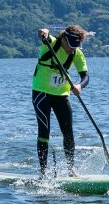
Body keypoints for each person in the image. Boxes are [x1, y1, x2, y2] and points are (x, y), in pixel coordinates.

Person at [32, 25, 89, 176]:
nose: (72, 50)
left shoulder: (76, 53)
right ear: (63, 39)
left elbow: (85, 77)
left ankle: (71, 168)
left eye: (76, 46)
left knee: (68, 132)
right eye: (70, 46)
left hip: (62, 95)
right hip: (41, 93)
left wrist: (79, 86)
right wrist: (44, 31)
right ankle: (44, 168)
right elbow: (44, 33)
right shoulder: (51, 43)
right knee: (44, 130)